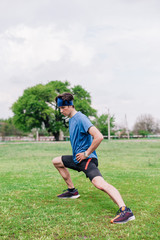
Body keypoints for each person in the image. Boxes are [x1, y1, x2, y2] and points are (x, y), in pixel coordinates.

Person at [52, 92, 135, 224]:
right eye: (60, 108)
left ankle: (125, 211)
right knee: (57, 161)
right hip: (77, 159)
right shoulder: (72, 119)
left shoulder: (80, 118)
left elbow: (99, 136)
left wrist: (86, 153)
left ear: (70, 106)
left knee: (99, 184)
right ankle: (72, 191)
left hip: (87, 159)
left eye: (62, 108)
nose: (61, 111)